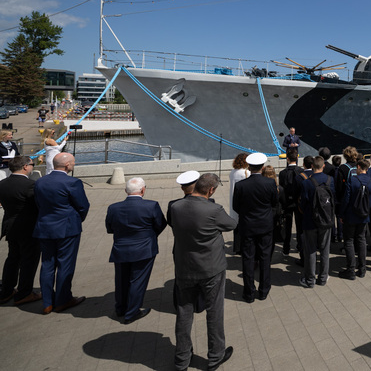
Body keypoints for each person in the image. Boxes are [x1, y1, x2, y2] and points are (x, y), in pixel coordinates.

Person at [169, 173, 236, 371]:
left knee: (183, 312)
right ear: (211, 190)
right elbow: (232, 224)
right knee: (214, 311)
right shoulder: (214, 209)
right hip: (211, 268)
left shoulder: (175, 207)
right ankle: (215, 356)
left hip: (184, 267)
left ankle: (181, 359)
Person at [33, 152, 90, 314]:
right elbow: (83, 206)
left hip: (44, 228)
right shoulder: (73, 182)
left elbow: (38, 204)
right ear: (67, 166)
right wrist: (78, 220)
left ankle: (47, 303)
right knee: (65, 264)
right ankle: (63, 300)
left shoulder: (40, 182)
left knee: (47, 265)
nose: (73, 165)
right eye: (73, 163)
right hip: (67, 229)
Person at [105, 177, 167, 323]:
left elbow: (110, 229)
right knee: (137, 281)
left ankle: (120, 307)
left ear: (125, 190)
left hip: (120, 248)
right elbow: (161, 224)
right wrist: (150, 236)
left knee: (121, 280)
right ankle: (132, 312)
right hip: (144, 249)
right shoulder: (151, 206)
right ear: (143, 190)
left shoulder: (113, 208)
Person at [233, 153, 280, 303]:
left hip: (247, 226)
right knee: (265, 258)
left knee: (248, 259)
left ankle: (249, 292)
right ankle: (264, 290)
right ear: (262, 167)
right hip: (265, 226)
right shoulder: (270, 184)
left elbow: (236, 206)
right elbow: (274, 203)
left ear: (249, 166)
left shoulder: (240, 185)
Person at [0, 156, 41, 305]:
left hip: (10, 226)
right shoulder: (30, 185)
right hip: (28, 227)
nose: (32, 167)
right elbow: (38, 205)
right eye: (32, 165)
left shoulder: (3, 184)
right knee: (28, 260)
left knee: (12, 259)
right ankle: (24, 293)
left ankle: (6, 291)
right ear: (25, 167)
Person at [299, 156, 333, 288]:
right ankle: (323, 277)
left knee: (310, 250)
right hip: (326, 219)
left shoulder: (306, 183)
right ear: (323, 165)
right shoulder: (331, 180)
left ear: (312, 166)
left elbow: (303, 203)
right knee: (325, 249)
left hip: (310, 221)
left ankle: (310, 279)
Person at [339, 159, 371, 280]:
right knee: (361, 239)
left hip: (350, 215)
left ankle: (350, 269)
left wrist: (341, 214)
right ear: (367, 168)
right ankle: (362, 268)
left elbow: (346, 199)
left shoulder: (352, 180)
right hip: (364, 216)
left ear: (358, 167)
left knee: (348, 241)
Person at [278, 149, 303, 257]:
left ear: (287, 159)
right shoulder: (301, 171)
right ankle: (300, 246)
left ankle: (286, 248)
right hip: (298, 202)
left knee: (287, 227)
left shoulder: (282, 173)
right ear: (297, 158)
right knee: (300, 226)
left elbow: (281, 189)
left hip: (287, 202)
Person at [228, 153, 250, 255]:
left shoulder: (232, 172)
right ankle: (243, 247)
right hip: (243, 201)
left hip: (233, 199)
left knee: (236, 226)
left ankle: (237, 247)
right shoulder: (245, 173)